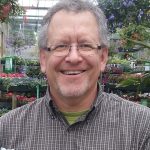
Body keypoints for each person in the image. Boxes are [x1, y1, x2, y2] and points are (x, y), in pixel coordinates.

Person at [0, 0, 150, 149]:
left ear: (103, 57)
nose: (73, 58)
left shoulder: (141, 128)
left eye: (85, 45)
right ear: (43, 59)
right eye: (61, 45)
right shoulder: (8, 131)